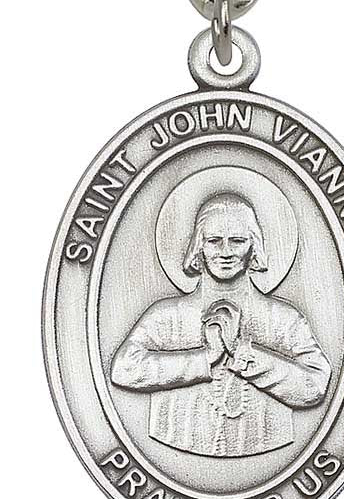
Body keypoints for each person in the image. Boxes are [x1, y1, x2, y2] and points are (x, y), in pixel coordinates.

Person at [111, 191, 331, 457]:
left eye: (237, 241)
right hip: (176, 448)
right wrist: (205, 358)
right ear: (198, 246)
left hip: (266, 449)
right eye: (214, 241)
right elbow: (123, 369)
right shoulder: (166, 316)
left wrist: (242, 353)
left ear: (253, 246)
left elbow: (314, 386)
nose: (225, 252)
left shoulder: (283, 319)